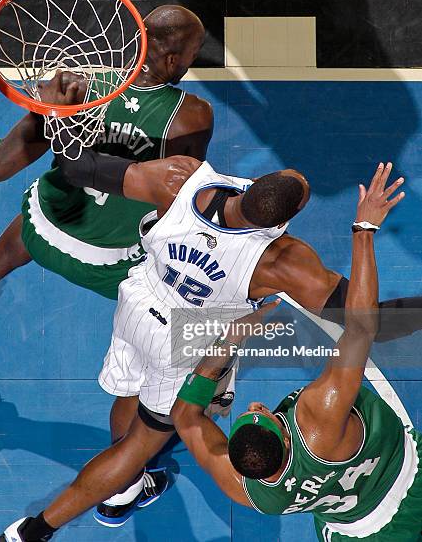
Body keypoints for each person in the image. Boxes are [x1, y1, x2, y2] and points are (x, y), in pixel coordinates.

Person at [0, 155, 409, 541]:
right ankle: (38, 529)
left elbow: (86, 170)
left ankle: (128, 479)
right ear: (286, 220)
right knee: (139, 445)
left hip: (137, 300)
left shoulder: (182, 180)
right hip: (182, 337)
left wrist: (63, 126)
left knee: (130, 392)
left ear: (254, 183)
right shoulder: (282, 261)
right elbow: (369, 322)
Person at [171, 163, 422, 541]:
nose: (255, 406)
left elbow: (185, 420)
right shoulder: (318, 415)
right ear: (287, 438)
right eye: (265, 414)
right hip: (408, 478)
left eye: (248, 413)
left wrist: (229, 341)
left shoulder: (249, 491)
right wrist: (364, 231)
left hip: (356, 531)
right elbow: (361, 327)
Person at [0, 4, 213, 347]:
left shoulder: (73, 88)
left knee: (42, 209)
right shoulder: (193, 116)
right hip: (112, 268)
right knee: (192, 298)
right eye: (193, 53)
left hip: (44, 236)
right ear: (174, 60)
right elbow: (180, 199)